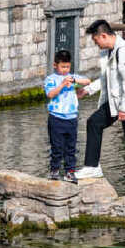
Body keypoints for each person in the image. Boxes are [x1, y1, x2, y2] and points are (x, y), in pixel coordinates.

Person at [75, 20, 125, 199]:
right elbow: (105, 79)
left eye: (95, 41)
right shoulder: (109, 52)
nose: (96, 44)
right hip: (115, 102)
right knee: (94, 122)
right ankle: (92, 167)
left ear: (103, 36)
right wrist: (88, 90)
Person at [44, 49, 91, 184]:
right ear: (55, 65)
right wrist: (62, 84)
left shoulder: (72, 77)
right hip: (56, 118)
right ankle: (54, 170)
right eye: (62, 66)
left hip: (71, 118)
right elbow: (50, 94)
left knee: (71, 147)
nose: (65, 69)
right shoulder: (51, 79)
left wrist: (74, 80)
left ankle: (70, 172)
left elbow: (87, 81)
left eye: (67, 66)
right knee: (56, 147)